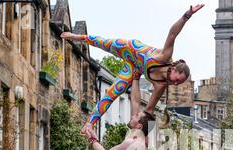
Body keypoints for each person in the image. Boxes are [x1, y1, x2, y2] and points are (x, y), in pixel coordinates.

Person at [60, 4, 205, 135]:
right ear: (174, 69)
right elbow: (172, 33)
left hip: (133, 68)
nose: (174, 84)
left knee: (113, 93)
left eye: (177, 84)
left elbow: (147, 111)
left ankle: (89, 124)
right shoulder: (165, 57)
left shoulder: (161, 85)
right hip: (131, 49)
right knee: (103, 43)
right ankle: (77, 36)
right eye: (176, 80)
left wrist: (144, 134)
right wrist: (187, 15)